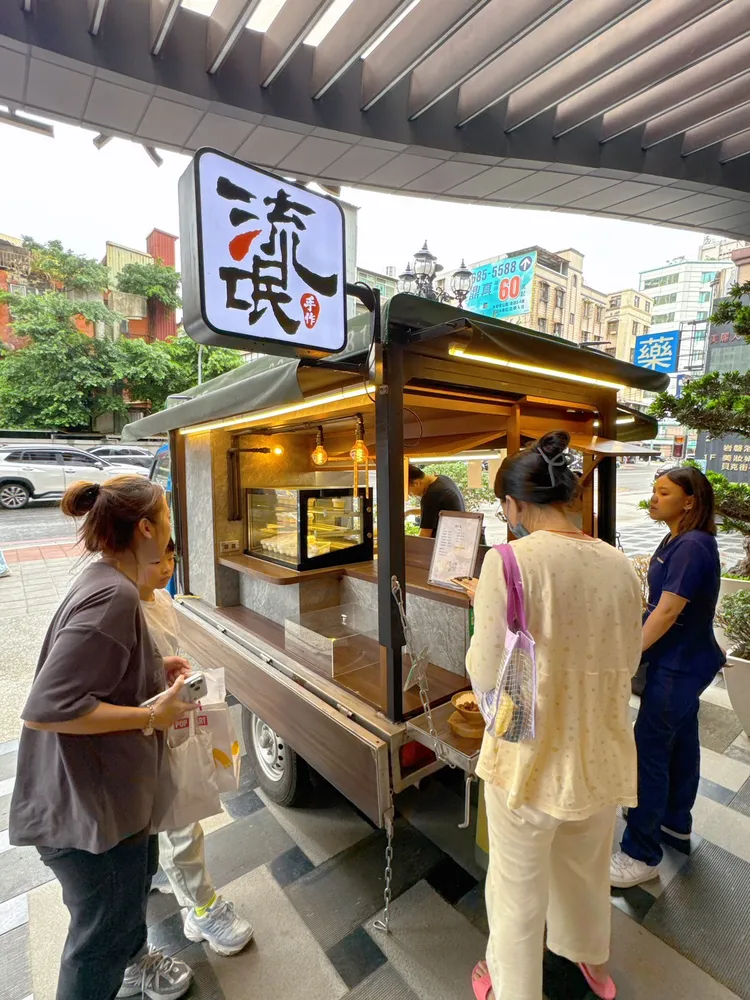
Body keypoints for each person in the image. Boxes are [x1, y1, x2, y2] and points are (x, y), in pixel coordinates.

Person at [466, 431, 642, 1000]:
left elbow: (487, 669)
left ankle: (514, 987)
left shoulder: (507, 561)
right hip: (602, 750)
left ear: (516, 505)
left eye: (504, 507)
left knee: (516, 889)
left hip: (529, 761)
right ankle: (590, 959)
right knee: (585, 873)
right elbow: (629, 655)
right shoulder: (619, 563)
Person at [9, 476, 195, 1000]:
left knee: (122, 908)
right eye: (167, 520)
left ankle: (136, 963)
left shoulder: (106, 578)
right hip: (89, 814)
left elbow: (94, 672)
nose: (170, 532)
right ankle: (123, 961)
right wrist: (150, 716)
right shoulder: (113, 596)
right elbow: (50, 707)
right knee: (97, 946)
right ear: (145, 528)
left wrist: (154, 668)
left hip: (100, 800)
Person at [610, 466, 724, 889]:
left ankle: (641, 853)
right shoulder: (674, 537)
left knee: (650, 748)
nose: (653, 499)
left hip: (680, 664)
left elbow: (668, 611)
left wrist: (627, 653)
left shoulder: (693, 545)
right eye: (654, 491)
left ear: (690, 501)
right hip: (681, 660)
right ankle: (674, 821)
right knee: (682, 742)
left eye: (664, 492)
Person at [140, 539, 253, 956]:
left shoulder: (161, 599)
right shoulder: (121, 608)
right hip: (143, 726)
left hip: (167, 720)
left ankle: (168, 882)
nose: (167, 566)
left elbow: (162, 655)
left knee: (174, 814)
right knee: (180, 818)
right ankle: (202, 908)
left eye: (171, 557)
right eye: (157, 558)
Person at [406, 464, 466, 537]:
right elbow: (433, 511)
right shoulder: (443, 479)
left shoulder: (431, 495)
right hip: (458, 536)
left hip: (445, 542)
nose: (411, 496)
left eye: (410, 493)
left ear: (416, 483)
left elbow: (425, 535)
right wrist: (409, 512)